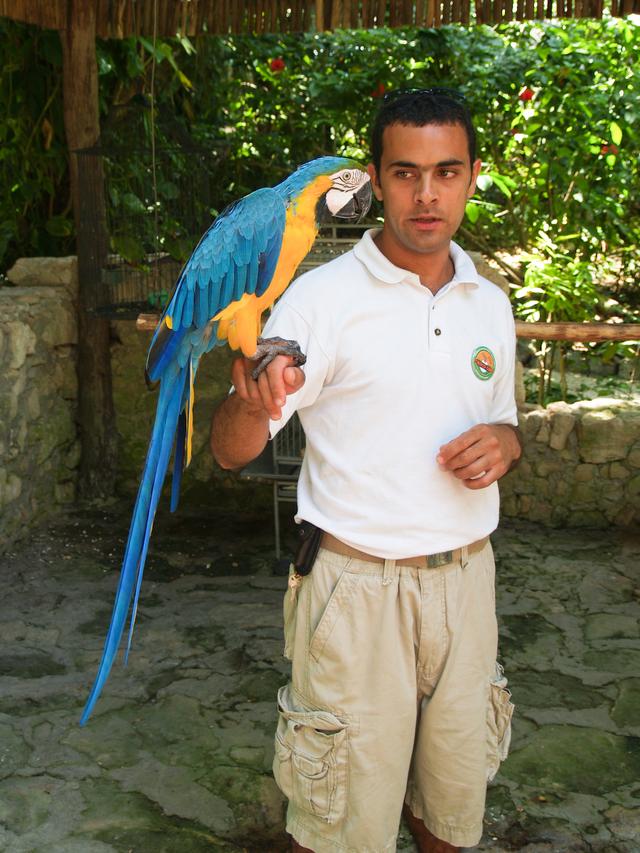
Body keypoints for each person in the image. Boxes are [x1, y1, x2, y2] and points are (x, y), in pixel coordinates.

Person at [210, 89, 520, 853]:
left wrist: (506, 444)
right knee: (342, 830)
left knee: (452, 817)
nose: (426, 194)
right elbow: (229, 448)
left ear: (473, 175)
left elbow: (508, 420)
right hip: (354, 591)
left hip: (467, 584)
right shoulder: (318, 299)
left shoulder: (490, 302)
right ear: (376, 181)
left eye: (446, 171)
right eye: (405, 173)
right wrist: (252, 402)